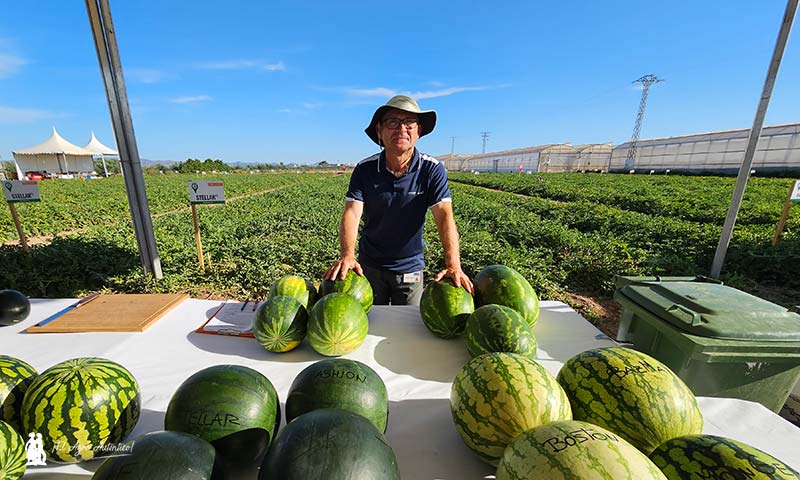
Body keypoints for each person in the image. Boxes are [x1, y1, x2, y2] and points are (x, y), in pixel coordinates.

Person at [324, 95, 473, 305]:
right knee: (371, 322)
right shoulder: (365, 169)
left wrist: (453, 265)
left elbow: (444, 216)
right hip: (370, 265)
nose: (402, 129)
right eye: (393, 122)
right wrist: (348, 255)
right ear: (379, 131)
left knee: (408, 325)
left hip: (410, 268)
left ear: (418, 131)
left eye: (409, 122)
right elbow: (352, 212)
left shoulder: (431, 169)